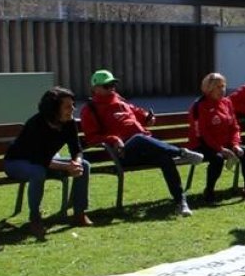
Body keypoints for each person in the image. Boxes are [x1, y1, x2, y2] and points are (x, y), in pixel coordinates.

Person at [80, 69, 204, 216]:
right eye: (107, 86)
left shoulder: (119, 100)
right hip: (123, 153)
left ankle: (181, 203)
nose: (111, 89)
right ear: (95, 88)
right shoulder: (90, 109)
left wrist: (147, 117)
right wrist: (113, 139)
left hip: (145, 147)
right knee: (138, 139)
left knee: (165, 158)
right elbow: (92, 138)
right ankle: (181, 152)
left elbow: (137, 112)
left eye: (113, 85)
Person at [3, 87, 92, 237]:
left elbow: (76, 149)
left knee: (84, 165)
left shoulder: (69, 123)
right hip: (16, 163)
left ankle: (79, 213)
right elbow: (40, 159)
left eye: (73, 105)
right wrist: (67, 166)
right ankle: (35, 219)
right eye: (67, 106)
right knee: (38, 171)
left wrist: (76, 163)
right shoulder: (35, 124)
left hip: (45, 162)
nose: (73, 109)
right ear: (54, 109)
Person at [189, 72, 245, 204]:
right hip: (202, 145)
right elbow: (203, 134)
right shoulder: (199, 106)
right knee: (217, 159)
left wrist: (235, 144)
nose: (222, 90)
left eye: (223, 86)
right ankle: (209, 193)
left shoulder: (227, 102)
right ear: (208, 88)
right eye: (218, 87)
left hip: (224, 144)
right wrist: (220, 149)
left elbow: (235, 127)